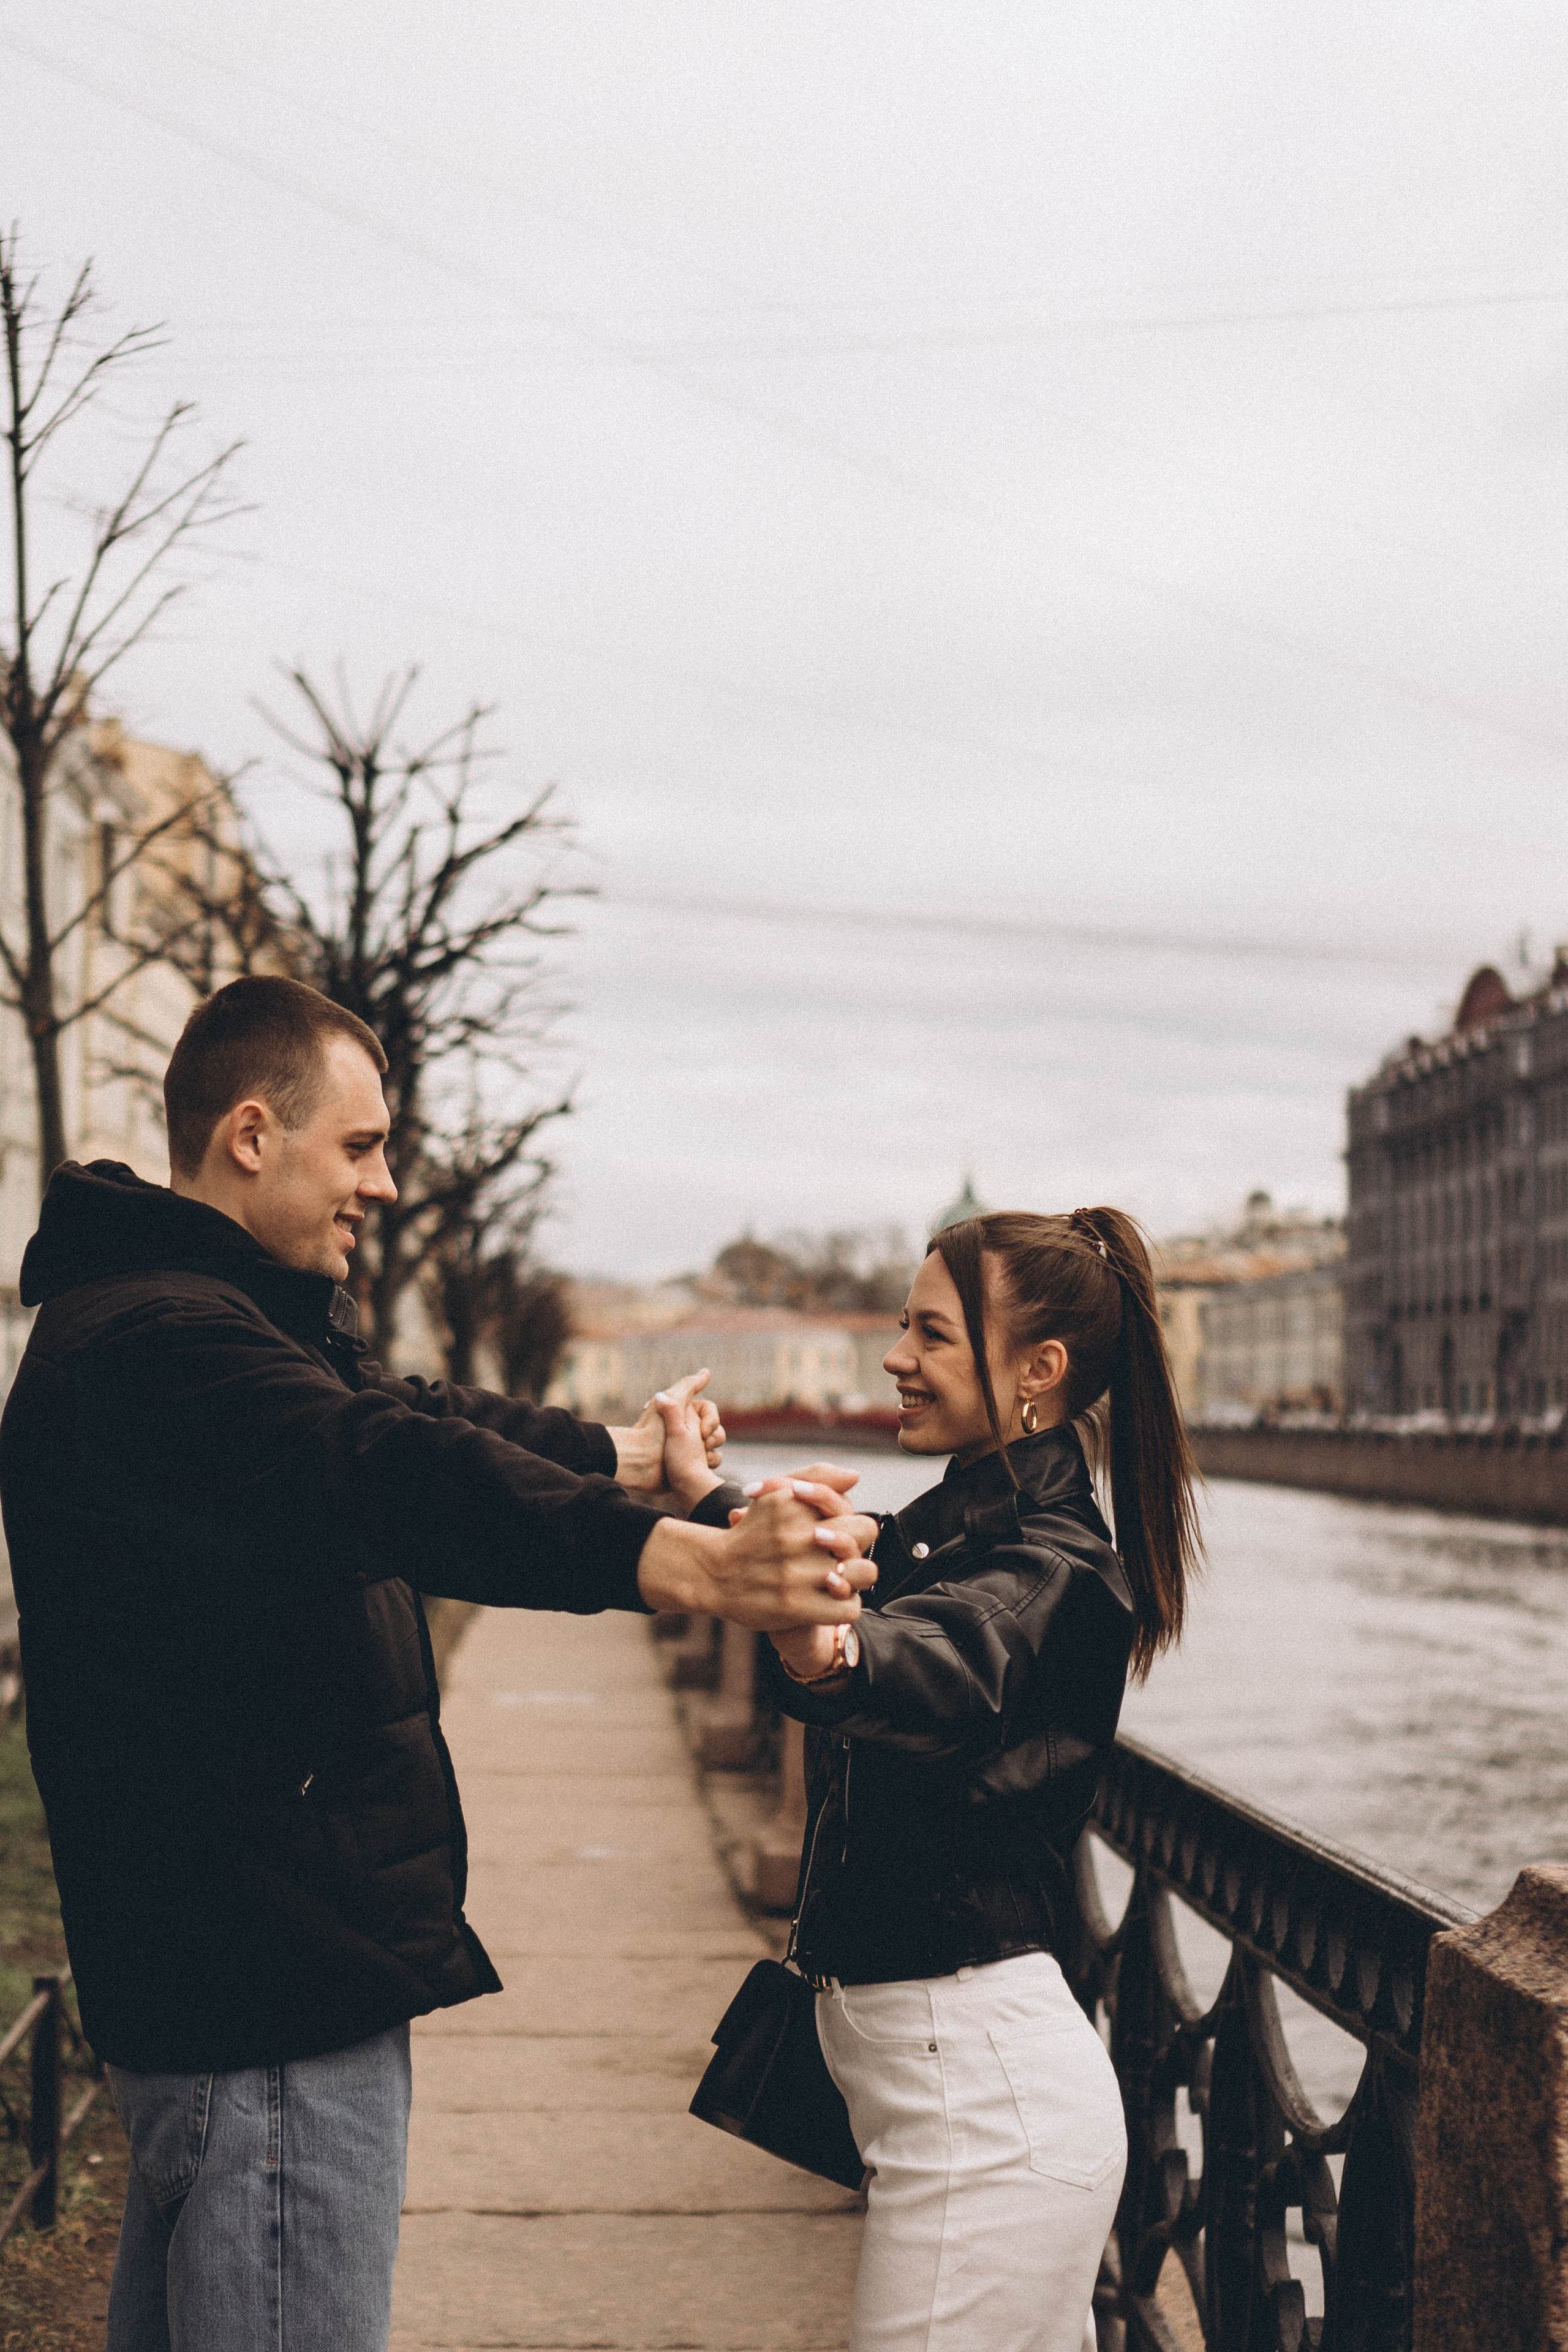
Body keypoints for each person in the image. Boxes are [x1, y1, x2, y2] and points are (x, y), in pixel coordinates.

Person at [0, 974, 877, 2352]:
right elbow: (385, 1469)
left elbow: (404, 1415)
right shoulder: (170, 1345)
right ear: (248, 1133)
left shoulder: (182, 1315)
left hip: (235, 1980)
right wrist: (701, 1564)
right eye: (360, 1147)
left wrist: (627, 1463)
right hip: (271, 1995)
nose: (388, 1184)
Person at [755, 1207, 1201, 2352]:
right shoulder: (946, 1531)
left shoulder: (1052, 1566)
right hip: (960, 2103)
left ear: (1038, 1371)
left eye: (936, 1335)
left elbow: (952, 1652)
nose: (896, 1355)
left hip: (986, 2122)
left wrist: (834, 1649)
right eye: (907, 1324)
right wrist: (720, 1509)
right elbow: (890, 1576)